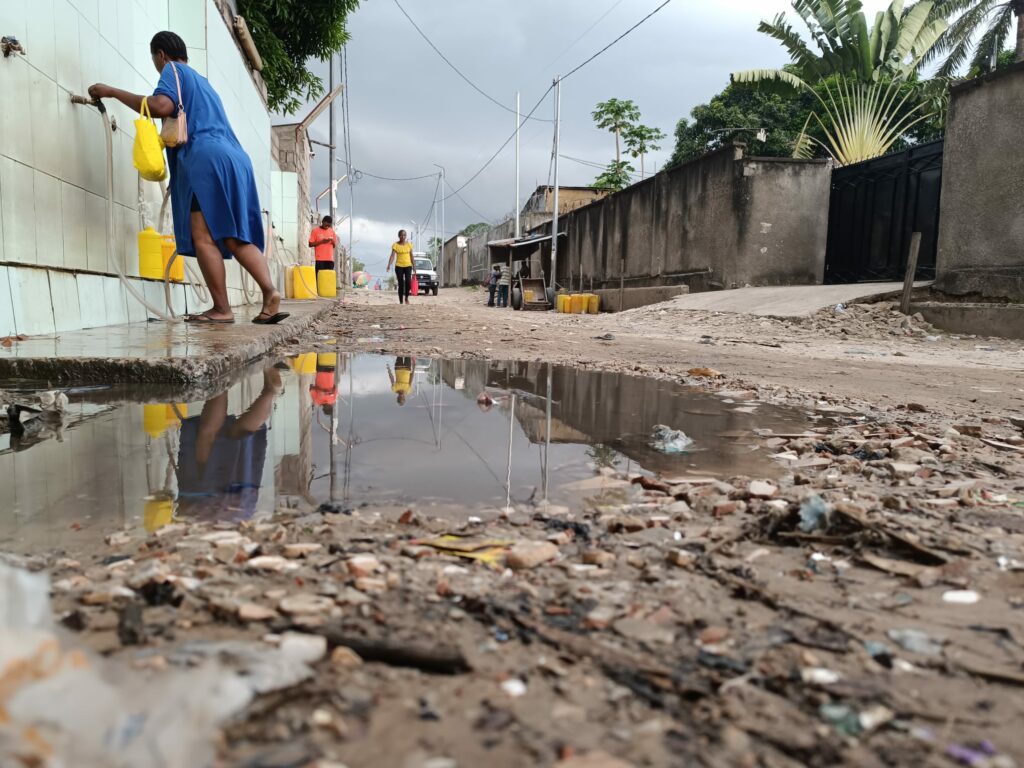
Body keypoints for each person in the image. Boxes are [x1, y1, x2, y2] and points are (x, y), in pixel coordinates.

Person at [88, 32, 287, 325]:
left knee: (203, 236)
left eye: (155, 59)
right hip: (235, 160)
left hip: (206, 161)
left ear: (160, 55)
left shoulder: (172, 70)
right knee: (233, 236)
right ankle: (270, 292)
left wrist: (112, 92)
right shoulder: (203, 83)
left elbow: (161, 106)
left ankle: (222, 309)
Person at [175, 366, 281, 521]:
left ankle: (270, 392)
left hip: (241, 508)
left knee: (241, 436)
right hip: (204, 508)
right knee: (207, 438)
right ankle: (222, 377)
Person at [386, 230, 414, 305]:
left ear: (406, 236)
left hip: (408, 266)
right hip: (399, 266)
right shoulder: (395, 245)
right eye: (401, 235)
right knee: (401, 284)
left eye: (404, 235)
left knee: (408, 282)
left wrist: (414, 266)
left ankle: (406, 298)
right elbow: (392, 256)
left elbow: (411, 256)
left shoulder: (409, 245)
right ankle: (401, 301)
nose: (403, 236)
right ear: (399, 236)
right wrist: (389, 265)